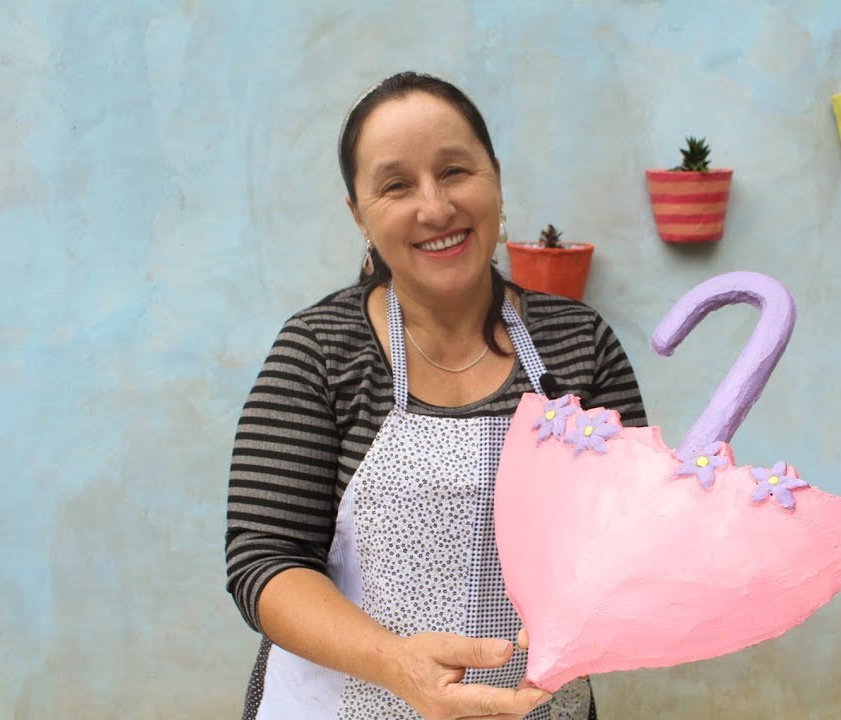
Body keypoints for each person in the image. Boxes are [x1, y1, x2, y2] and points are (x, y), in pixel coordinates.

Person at [224, 70, 648, 720]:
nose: (435, 207)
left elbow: (628, 536)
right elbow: (266, 562)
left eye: (455, 171)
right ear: (359, 214)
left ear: (496, 179)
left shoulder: (577, 345)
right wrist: (399, 666)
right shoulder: (318, 353)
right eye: (396, 185)